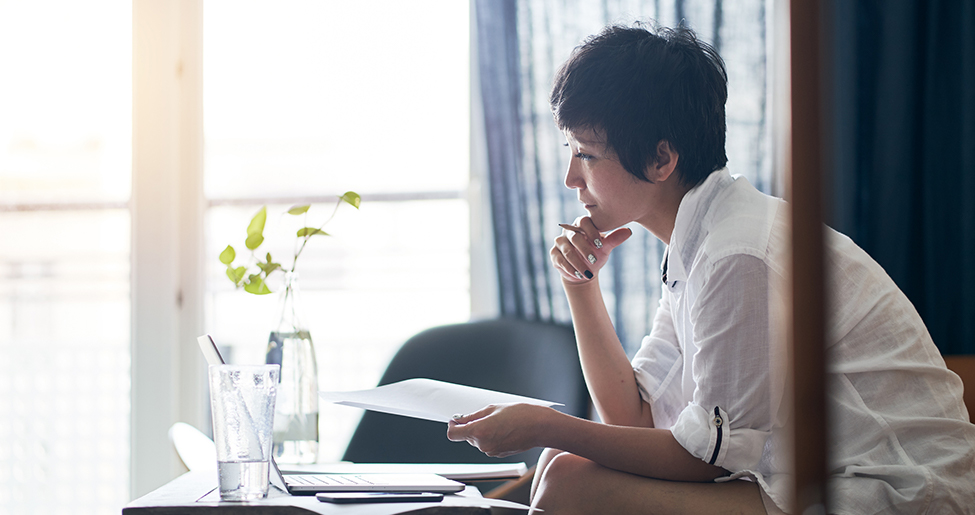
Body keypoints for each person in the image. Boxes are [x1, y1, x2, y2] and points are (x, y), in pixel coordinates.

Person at [446, 22, 975, 514]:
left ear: (661, 159)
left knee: (569, 479)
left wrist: (550, 427)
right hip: (823, 479)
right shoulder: (700, 238)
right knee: (569, 471)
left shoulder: (736, 253)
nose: (570, 178)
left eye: (586, 154)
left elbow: (705, 460)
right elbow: (634, 415)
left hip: (896, 491)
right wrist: (579, 286)